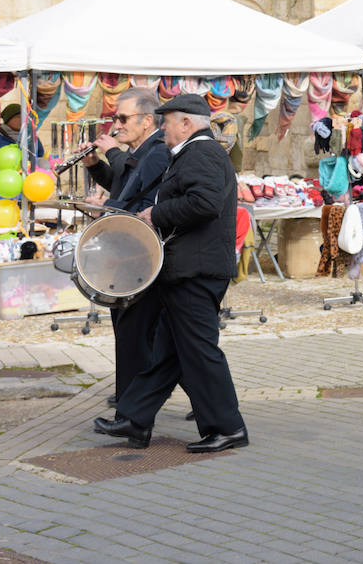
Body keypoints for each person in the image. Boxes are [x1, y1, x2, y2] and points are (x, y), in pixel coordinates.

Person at [93, 94, 248, 452]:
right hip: (187, 268)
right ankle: (135, 420)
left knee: (199, 350)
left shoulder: (203, 152)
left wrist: (155, 215)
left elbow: (204, 204)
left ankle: (228, 427)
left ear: (187, 123)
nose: (162, 129)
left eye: (167, 122)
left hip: (198, 269)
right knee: (167, 352)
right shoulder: (194, 153)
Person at [81, 87, 171, 407]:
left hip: (139, 251)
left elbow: (138, 193)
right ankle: (132, 396)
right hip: (124, 250)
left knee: (140, 334)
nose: (116, 125)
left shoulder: (157, 149)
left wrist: (107, 210)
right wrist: (94, 164)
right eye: (115, 117)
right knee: (132, 332)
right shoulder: (138, 151)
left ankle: (133, 402)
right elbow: (120, 185)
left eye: (122, 118)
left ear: (148, 121)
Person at [0, 104, 45, 202]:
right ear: (8, 119)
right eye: (17, 117)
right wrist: (9, 172)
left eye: (23, 117)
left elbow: (39, 158)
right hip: (4, 196)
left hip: (30, 193)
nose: (21, 120)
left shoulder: (32, 139)